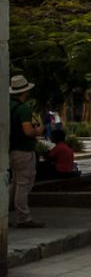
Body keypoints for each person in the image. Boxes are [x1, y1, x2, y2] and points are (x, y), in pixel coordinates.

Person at [9, 76, 44, 228]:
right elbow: (28, 131)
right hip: (24, 149)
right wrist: (39, 131)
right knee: (24, 184)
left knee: (15, 183)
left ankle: (6, 212)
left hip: (12, 149)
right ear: (25, 91)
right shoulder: (24, 109)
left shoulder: (8, 106)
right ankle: (24, 217)